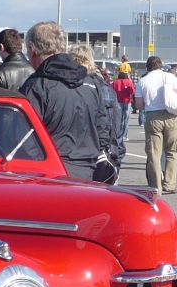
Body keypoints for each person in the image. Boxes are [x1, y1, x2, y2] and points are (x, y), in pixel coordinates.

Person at [19, 21, 110, 181]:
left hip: (51, 171)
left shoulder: (37, 85)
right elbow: (103, 128)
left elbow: (23, 135)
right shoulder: (90, 82)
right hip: (87, 169)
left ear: (32, 50)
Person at [69, 43, 125, 183]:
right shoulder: (105, 87)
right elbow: (117, 127)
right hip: (106, 157)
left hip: (76, 158)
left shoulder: (70, 87)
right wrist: (116, 156)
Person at [134, 55, 177, 194]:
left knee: (154, 154)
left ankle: (156, 187)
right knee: (171, 151)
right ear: (161, 65)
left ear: (147, 67)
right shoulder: (170, 77)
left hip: (153, 117)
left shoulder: (142, 81)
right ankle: (170, 183)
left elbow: (139, 104)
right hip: (171, 115)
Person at [111, 68, 136, 140]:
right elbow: (132, 91)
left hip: (117, 101)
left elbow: (111, 91)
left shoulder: (115, 82)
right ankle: (124, 136)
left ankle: (117, 135)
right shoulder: (129, 82)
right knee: (126, 119)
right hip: (127, 101)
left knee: (118, 120)